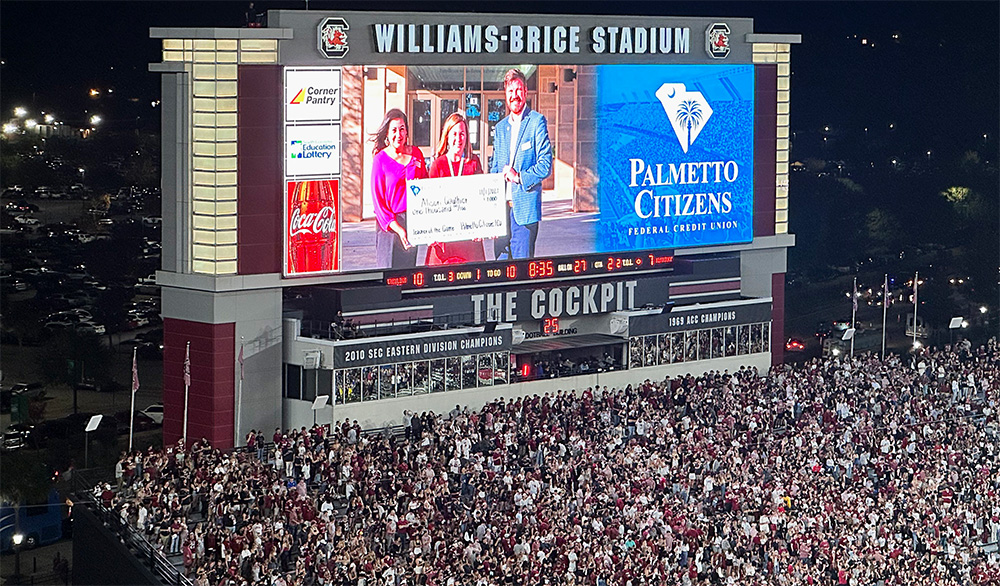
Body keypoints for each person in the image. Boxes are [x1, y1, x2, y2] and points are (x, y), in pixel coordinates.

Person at [490, 68, 552, 260]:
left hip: (524, 213)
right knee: (499, 267)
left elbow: (545, 164)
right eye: (510, 91)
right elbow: (494, 167)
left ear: (525, 91)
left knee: (521, 268)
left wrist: (518, 177)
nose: (514, 95)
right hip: (501, 214)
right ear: (505, 93)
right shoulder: (500, 128)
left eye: (518, 90)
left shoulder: (536, 122)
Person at [426, 112, 486, 265]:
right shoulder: (438, 164)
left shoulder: (473, 162)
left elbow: (482, 198)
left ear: (467, 137)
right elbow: (429, 203)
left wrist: (483, 226)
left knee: (471, 277)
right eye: (454, 134)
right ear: (447, 136)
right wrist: (429, 232)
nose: (458, 139)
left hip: (469, 240)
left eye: (462, 134)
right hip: (443, 240)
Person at [370, 108, 427, 268]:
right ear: (387, 134)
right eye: (394, 130)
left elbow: (426, 186)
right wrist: (399, 229)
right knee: (390, 276)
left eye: (402, 129)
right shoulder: (380, 160)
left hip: (412, 222)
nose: (398, 134)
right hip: (390, 228)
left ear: (407, 131)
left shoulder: (416, 154)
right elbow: (379, 204)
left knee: (409, 276)